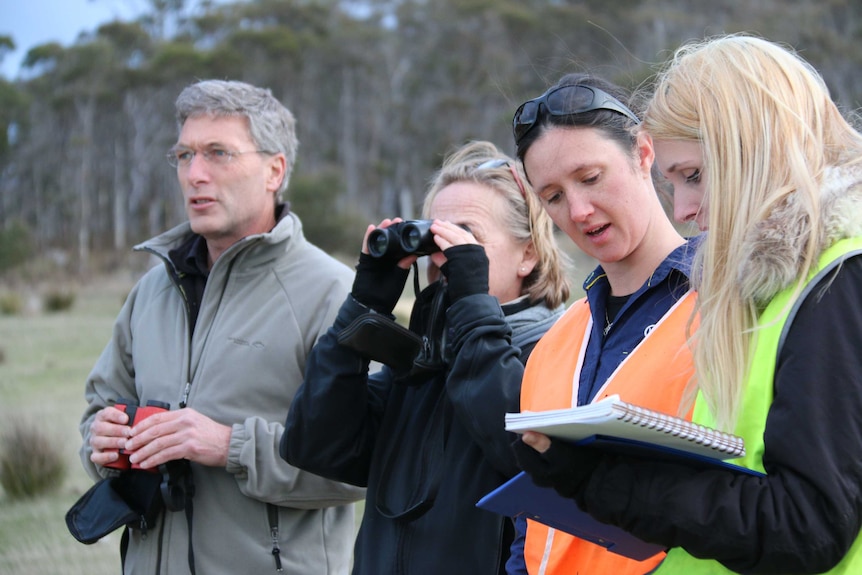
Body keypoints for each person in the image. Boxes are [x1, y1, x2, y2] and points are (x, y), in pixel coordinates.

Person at [515, 34, 862, 574]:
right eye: (553, 196)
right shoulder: (763, 290)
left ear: (755, 147)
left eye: (694, 175)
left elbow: (807, 524)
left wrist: (604, 482)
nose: (684, 209)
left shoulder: (835, 279)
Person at [78, 79, 365, 574]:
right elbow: (100, 408)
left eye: (218, 153)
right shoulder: (152, 291)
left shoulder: (335, 295)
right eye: (184, 155)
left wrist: (227, 445)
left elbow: (358, 465)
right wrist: (101, 442)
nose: (195, 174)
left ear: (275, 169)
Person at [280, 139, 572, 574]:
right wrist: (363, 309)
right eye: (435, 235)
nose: (443, 256)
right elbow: (316, 446)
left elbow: (524, 455)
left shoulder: (558, 353)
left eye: (465, 237)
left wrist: (472, 301)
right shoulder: (421, 367)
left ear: (527, 254)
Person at [505, 73, 701, 575]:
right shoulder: (555, 343)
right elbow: (534, 528)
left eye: (590, 178)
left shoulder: (722, 308)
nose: (578, 210)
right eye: (551, 196)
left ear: (642, 153)